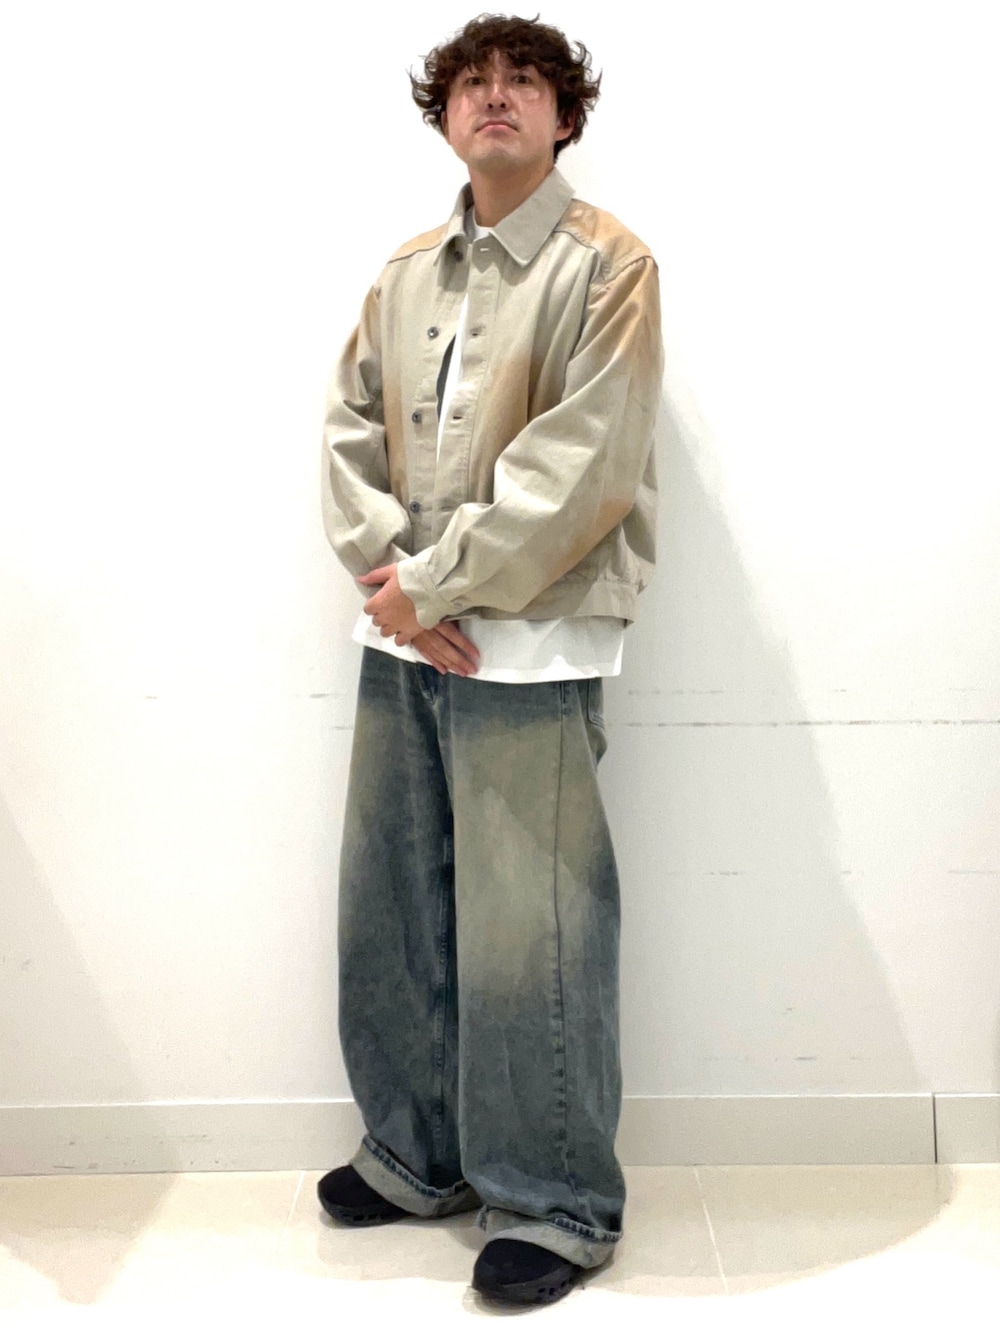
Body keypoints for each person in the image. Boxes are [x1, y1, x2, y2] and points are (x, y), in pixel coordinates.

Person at [318, 13, 663, 1307]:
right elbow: (346, 433)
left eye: (525, 82)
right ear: (446, 116)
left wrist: (433, 583)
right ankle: (418, 1156)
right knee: (393, 901)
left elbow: (586, 464)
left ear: (566, 118)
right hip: (402, 628)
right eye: (473, 82)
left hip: (531, 635)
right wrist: (392, 583)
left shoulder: (609, 263)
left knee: (535, 932)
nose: (496, 97)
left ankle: (553, 1200)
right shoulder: (405, 272)